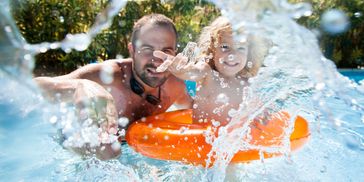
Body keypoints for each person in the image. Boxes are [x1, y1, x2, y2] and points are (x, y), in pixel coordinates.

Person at [34, 14, 192, 160]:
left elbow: (200, 112)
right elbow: (35, 87)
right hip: (70, 151)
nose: (157, 61)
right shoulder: (107, 76)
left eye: (166, 51)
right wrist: (81, 86)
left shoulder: (175, 85)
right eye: (147, 49)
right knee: (108, 151)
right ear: (132, 50)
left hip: (131, 153)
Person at [154, 16, 270, 126]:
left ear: (249, 54)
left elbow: (259, 115)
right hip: (202, 142)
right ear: (213, 49)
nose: (232, 54)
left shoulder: (249, 85)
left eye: (240, 48)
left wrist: (262, 115)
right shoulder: (208, 74)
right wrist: (182, 70)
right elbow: (194, 71)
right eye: (225, 47)